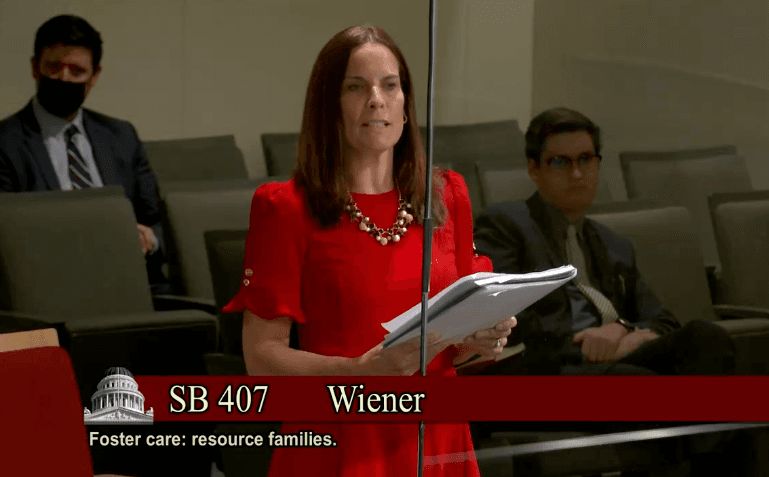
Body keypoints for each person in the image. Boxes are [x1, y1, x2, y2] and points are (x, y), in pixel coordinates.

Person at [222, 25, 516, 477]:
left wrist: (483, 337)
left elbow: (458, 338)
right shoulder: (284, 208)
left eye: (389, 85)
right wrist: (360, 370)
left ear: (405, 103)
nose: (376, 99)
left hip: (436, 436)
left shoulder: (447, 195)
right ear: (330, 107)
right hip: (340, 440)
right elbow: (261, 360)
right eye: (356, 87)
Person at [472, 107, 735, 376]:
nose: (576, 174)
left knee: (706, 338)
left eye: (585, 159)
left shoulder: (613, 243)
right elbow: (507, 322)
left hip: (616, 359)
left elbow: (662, 318)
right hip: (549, 368)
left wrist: (623, 328)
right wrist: (589, 345)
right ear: (534, 169)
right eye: (561, 162)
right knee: (634, 380)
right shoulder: (506, 225)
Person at [0, 14, 170, 294]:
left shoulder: (121, 136)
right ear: (34, 68)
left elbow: (158, 219)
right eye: (53, 68)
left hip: (130, 283)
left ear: (94, 76)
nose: (64, 78)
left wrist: (149, 239)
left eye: (76, 71)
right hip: (47, 288)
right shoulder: (6, 142)